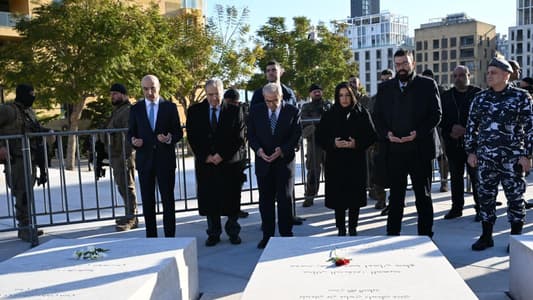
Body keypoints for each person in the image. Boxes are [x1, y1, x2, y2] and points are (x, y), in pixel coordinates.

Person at [465, 57, 532, 251]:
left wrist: (527, 155)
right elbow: (472, 126)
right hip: (486, 157)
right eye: (488, 72)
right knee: (486, 197)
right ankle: (486, 236)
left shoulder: (521, 97)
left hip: (512, 157)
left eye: (493, 72)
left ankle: (516, 240)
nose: (489, 76)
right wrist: (471, 151)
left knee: (515, 198)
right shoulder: (481, 98)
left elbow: (530, 127)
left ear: (506, 75)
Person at [373, 48, 441, 237]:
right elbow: (377, 116)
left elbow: (436, 114)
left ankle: (425, 235)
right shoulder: (385, 88)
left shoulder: (427, 85)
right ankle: (392, 234)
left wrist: (417, 133)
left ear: (413, 64)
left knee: (423, 196)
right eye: (397, 64)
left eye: (404, 63)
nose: (401, 68)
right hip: (395, 150)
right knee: (396, 197)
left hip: (420, 149)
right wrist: (387, 134)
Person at [186, 80, 245, 246]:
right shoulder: (195, 111)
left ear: (222, 92)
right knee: (210, 199)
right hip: (206, 164)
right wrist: (206, 156)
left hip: (229, 164)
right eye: (210, 94)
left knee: (232, 198)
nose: (214, 98)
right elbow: (192, 137)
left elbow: (239, 138)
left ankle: (233, 231)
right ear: (206, 93)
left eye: (217, 94)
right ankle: (213, 232)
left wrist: (222, 155)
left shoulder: (234, 111)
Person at [316, 82, 376, 236]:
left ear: (352, 95)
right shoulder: (329, 114)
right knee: (339, 198)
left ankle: (353, 227)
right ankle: (341, 228)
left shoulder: (362, 112)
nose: (344, 98)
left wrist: (357, 143)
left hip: (355, 161)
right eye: (341, 95)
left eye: (347, 95)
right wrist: (333, 143)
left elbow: (372, 135)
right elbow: (320, 137)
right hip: (335, 162)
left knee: (354, 197)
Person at [247, 83, 301, 249]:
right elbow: (251, 134)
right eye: (268, 101)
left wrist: (282, 150)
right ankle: (267, 235)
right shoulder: (256, 111)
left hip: (284, 162)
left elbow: (296, 136)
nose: (271, 105)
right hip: (264, 162)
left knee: (285, 199)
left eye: (275, 101)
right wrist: (258, 150)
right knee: (265, 201)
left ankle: (286, 234)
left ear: (281, 97)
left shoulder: (292, 111)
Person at [128, 75, 182, 237]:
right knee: (148, 202)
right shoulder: (136, 109)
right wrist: (133, 141)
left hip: (165, 160)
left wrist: (169, 138)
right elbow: (131, 132)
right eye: (145, 89)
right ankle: (151, 237)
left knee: (168, 200)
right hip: (145, 161)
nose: (149, 92)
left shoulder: (170, 107)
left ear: (159, 87)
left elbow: (178, 132)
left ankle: (170, 237)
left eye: (152, 88)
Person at [0, 84, 48, 242]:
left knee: (27, 192)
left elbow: (35, 129)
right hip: (17, 159)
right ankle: (24, 227)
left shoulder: (28, 111)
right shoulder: (8, 110)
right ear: (21, 95)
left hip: (31, 157)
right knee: (22, 193)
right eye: (30, 94)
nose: (32, 97)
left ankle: (27, 225)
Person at [439, 66, 482, 221]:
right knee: (456, 178)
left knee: (476, 178)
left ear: (469, 75)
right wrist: (451, 128)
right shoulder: (446, 96)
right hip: (453, 144)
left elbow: (485, 118)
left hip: (473, 146)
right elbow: (439, 118)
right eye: (455, 75)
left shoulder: (478, 94)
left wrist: (467, 130)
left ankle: (480, 209)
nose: (458, 78)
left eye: (462, 75)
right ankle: (457, 208)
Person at [104, 83, 138, 231]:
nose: (113, 96)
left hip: (124, 154)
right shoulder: (118, 110)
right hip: (117, 154)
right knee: (122, 186)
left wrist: (125, 154)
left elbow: (128, 134)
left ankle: (132, 217)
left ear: (124, 95)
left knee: (127, 185)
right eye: (111, 94)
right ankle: (128, 213)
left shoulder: (127, 111)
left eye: (116, 93)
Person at [301, 83, 331, 207]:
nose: (317, 93)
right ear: (310, 94)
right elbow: (304, 123)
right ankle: (310, 195)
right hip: (313, 142)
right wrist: (318, 123)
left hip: (328, 142)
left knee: (331, 170)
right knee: (313, 171)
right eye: (314, 91)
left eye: (319, 91)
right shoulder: (306, 106)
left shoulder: (328, 105)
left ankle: (332, 194)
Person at [223, 88, 250, 218]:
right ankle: (227, 208)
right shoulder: (224, 111)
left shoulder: (243, 111)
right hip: (227, 153)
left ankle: (236, 209)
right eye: (229, 102)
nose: (231, 105)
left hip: (240, 153)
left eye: (234, 103)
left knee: (237, 184)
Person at [370, 69, 394, 213]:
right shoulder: (374, 99)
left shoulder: (399, 97)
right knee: (378, 174)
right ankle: (381, 199)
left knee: (397, 174)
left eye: (388, 79)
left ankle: (396, 201)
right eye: (383, 79)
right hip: (379, 141)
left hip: (395, 141)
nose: (385, 82)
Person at [422, 69, 449, 193]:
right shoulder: (419, 91)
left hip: (439, 126)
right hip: (424, 127)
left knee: (442, 156)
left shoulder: (441, 90)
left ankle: (444, 181)